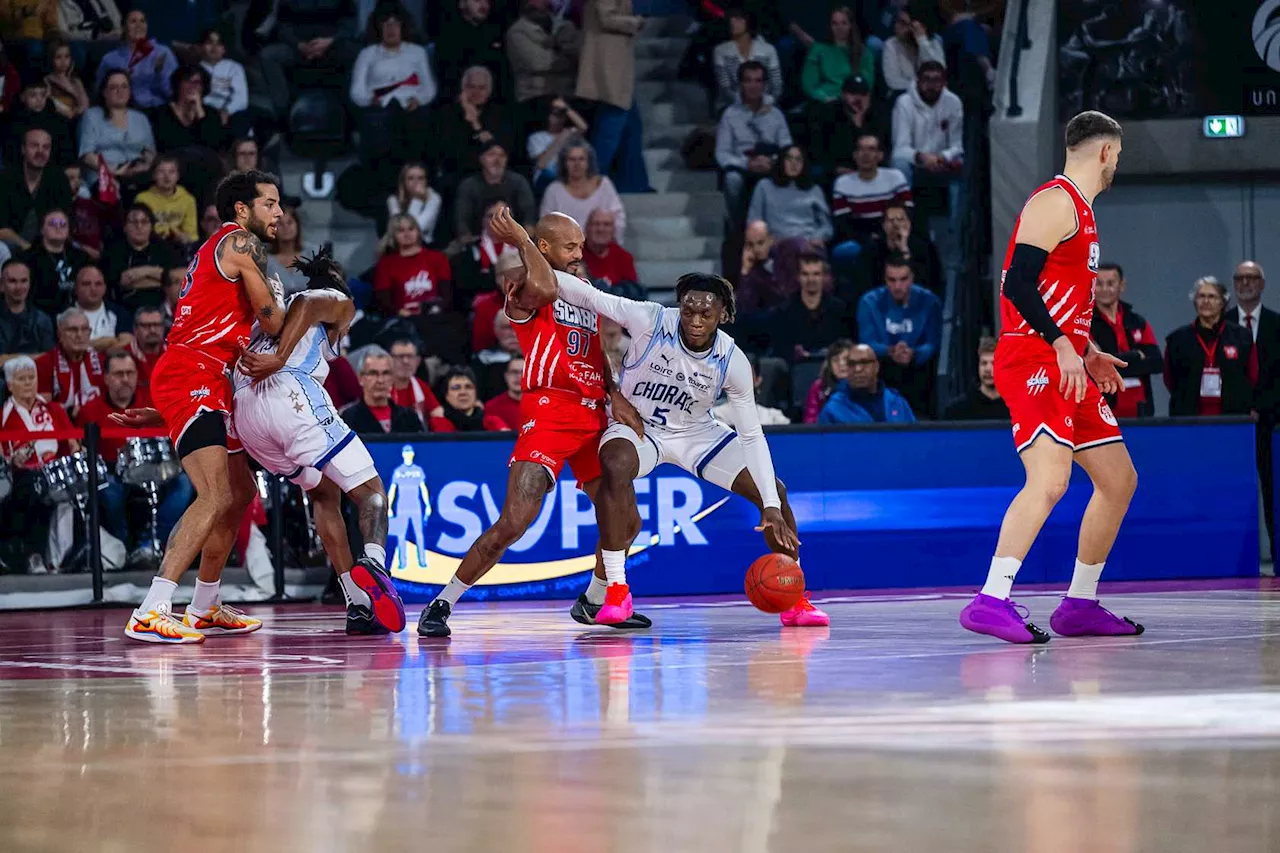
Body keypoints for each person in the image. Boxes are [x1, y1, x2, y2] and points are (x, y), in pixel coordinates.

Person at [417, 209, 648, 637]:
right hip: (550, 411)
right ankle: (442, 602)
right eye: (570, 246)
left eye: (581, 245)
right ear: (544, 247)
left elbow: (595, 351)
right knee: (514, 522)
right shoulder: (526, 287)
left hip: (592, 410)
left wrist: (614, 394)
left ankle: (596, 599)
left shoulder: (584, 289)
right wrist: (521, 240)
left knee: (626, 519)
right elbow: (543, 284)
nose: (581, 253)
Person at [552, 268, 823, 626]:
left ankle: (795, 599)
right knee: (614, 463)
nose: (694, 320)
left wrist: (769, 506)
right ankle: (617, 589)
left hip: (696, 434)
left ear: (723, 315)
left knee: (775, 491)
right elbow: (591, 297)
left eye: (705, 314)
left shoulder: (732, 360)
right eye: (688, 310)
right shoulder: (649, 318)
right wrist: (531, 256)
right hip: (641, 427)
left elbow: (752, 435)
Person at [962, 111, 1141, 646]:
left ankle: (1079, 604)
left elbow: (1056, 297)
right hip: (1033, 358)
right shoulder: (1055, 201)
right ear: (1106, 152)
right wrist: (1063, 344)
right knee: (1050, 481)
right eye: (1118, 156)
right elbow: (1017, 284)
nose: (1116, 165)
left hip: (1065, 359)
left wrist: (1087, 349)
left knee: (1118, 479)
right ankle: (991, 599)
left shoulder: (1081, 212)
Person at [112, 169, 285, 644]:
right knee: (211, 494)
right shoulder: (242, 244)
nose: (280, 213)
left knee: (240, 492)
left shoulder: (220, 248)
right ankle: (153, 607)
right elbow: (273, 323)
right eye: (270, 204)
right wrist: (299, 302)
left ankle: (204, 605)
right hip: (195, 373)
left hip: (206, 377)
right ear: (242, 210)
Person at [233, 247, 406, 635]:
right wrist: (280, 358)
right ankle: (374, 564)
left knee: (325, 493)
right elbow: (311, 302)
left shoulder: (263, 320)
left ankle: (357, 604)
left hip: (247, 417)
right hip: (289, 393)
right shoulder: (335, 303)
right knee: (372, 491)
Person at [76, 349, 194, 556]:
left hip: (155, 469)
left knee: (184, 483)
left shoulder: (153, 402)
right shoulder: (89, 410)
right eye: (118, 374)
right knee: (109, 490)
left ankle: (150, 543)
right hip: (113, 473)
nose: (125, 379)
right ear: (106, 378)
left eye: (130, 373)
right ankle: (123, 549)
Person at [0, 355, 76, 575]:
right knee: (32, 487)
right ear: (10, 385)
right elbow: (6, 459)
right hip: (20, 478)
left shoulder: (54, 409)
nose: (28, 383)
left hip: (56, 472)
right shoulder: (4, 416)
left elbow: (73, 443)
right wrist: (13, 460)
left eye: (31, 377)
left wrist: (75, 449)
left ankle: (65, 558)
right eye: (21, 378)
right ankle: (34, 555)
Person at [1226, 259, 1280, 558]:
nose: (1245, 283)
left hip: (1272, 424)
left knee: (1274, 492)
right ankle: (1235, 558)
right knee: (1233, 490)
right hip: (1234, 424)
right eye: (1240, 278)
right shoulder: (1221, 323)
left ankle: (1276, 553)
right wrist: (1243, 409)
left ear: (1262, 284)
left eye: (1251, 278)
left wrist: (1261, 407)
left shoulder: (1277, 324)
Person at [350, 2, 437, 169]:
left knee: (419, 122)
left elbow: (429, 87)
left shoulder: (417, 52)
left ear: (403, 27)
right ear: (378, 27)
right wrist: (369, 100)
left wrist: (419, 100)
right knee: (379, 124)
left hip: (411, 108)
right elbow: (357, 90)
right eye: (386, 24)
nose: (391, 29)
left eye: (396, 24)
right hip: (379, 107)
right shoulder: (367, 54)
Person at [857, 255, 941, 417]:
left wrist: (913, 353)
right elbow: (867, 343)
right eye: (892, 280)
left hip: (919, 374)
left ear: (912, 278)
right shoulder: (869, 302)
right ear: (885, 279)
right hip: (881, 374)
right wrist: (890, 350)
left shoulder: (929, 302)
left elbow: (933, 342)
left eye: (903, 279)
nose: (897, 286)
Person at [1163, 276, 1255, 417]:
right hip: (1188, 417)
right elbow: (1169, 379)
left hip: (1233, 416)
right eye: (1201, 296)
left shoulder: (1242, 337)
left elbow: (1253, 375)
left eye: (1212, 297)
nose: (1206, 301)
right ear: (1195, 301)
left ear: (1222, 302)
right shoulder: (1177, 339)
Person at [715, 60, 791, 226]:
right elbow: (722, 154)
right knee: (731, 180)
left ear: (765, 84)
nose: (753, 85)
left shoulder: (776, 114)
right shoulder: (729, 114)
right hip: (743, 166)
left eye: (758, 81)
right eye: (748, 80)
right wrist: (748, 164)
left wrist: (772, 162)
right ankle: (737, 225)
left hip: (772, 164)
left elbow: (788, 147)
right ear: (741, 84)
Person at [830, 134, 912, 275]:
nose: (866, 154)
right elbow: (843, 224)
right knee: (853, 250)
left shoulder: (895, 178)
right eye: (861, 150)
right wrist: (869, 238)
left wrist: (885, 236)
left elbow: (908, 213)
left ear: (880, 155)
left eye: (871, 149)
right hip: (859, 237)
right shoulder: (842, 184)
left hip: (893, 234)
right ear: (855, 155)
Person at [1089, 262, 1160, 418]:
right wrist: (1136, 356)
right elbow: (1094, 364)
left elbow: (1156, 362)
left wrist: (1112, 360)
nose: (1105, 289)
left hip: (1141, 409)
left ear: (1122, 285)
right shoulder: (1086, 323)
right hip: (1104, 408)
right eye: (1099, 284)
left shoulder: (1137, 321)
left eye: (1111, 283)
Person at [538, 140, 626, 244]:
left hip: (602, 247)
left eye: (581, 159)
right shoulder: (553, 190)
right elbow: (546, 227)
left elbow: (618, 219)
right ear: (564, 163)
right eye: (572, 159)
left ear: (589, 162)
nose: (577, 164)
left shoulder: (604, 185)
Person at [0, 127, 72, 252]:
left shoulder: (59, 179)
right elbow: (2, 229)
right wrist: (28, 249)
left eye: (46, 147)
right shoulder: (5, 179)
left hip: (47, 245)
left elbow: (63, 219)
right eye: (34, 146)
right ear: (23, 149)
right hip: (11, 244)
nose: (40, 151)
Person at [93, 9, 177, 110]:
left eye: (143, 21)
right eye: (133, 21)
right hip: (123, 111)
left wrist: (159, 73)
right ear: (123, 27)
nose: (139, 25)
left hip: (157, 109)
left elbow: (173, 92)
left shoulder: (162, 53)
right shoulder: (109, 59)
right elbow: (99, 93)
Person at [746, 145, 832, 242]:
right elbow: (754, 222)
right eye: (789, 159)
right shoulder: (764, 186)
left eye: (798, 159)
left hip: (809, 244)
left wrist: (814, 239)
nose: (794, 163)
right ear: (781, 161)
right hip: (775, 245)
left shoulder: (814, 190)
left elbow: (827, 227)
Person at [818, 342, 915, 423]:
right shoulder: (833, 409)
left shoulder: (897, 403)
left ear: (876, 366)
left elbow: (915, 440)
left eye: (864, 362)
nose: (858, 369)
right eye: (852, 364)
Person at [35, 307, 104, 417]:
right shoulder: (44, 364)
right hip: (60, 427)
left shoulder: (101, 361)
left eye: (84, 329)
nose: (79, 335)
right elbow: (43, 407)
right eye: (73, 330)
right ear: (60, 335)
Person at [712, 6, 783, 113]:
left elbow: (777, 84)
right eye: (731, 19)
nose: (732, 22)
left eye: (738, 19)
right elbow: (725, 88)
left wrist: (767, 103)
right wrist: (746, 105)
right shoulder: (721, 50)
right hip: (732, 106)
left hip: (765, 105)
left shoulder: (768, 49)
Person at [340, 346, 426, 433]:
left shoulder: (409, 417)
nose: (380, 380)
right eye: (373, 373)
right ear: (361, 378)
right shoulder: (348, 418)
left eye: (386, 373)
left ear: (393, 378)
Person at [23, 207, 89, 315]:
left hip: (79, 314)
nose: (58, 227)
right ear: (42, 229)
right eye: (52, 224)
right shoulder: (28, 258)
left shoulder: (81, 257)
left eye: (63, 224)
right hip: (41, 315)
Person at [880, 8, 946, 97]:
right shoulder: (891, 44)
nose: (897, 25)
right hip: (903, 95)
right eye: (897, 21)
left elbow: (938, 73)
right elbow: (893, 81)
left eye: (903, 23)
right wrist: (922, 85)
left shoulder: (933, 43)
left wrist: (922, 41)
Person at [134, 156, 199, 246]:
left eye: (171, 172)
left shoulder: (188, 199)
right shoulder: (143, 199)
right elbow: (140, 230)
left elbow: (192, 235)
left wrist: (180, 236)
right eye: (161, 172)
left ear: (178, 175)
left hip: (179, 246)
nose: (167, 176)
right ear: (154, 175)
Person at [942, 336, 1009, 420]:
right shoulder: (957, 410)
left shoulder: (1017, 409)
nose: (988, 369)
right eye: (984, 363)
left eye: (994, 363)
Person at [0, 259, 54, 359]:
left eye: (24, 281)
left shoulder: (42, 319)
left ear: (30, 283)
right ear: (1, 285)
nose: (19, 287)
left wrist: (8, 358)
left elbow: (49, 359)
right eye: (12, 281)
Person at [428, 366, 509, 431]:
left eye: (468, 387)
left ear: (476, 393)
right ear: (446, 395)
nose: (463, 392)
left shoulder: (491, 422)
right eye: (456, 388)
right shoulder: (439, 423)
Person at [72, 264, 132, 351]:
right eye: (86, 284)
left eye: (98, 284)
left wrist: (88, 345)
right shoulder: (63, 315)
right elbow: (70, 348)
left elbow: (127, 342)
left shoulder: (119, 313)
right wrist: (109, 341)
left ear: (104, 288)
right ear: (76, 288)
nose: (93, 289)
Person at [581, 208, 639, 290]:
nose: (601, 229)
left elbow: (633, 292)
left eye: (606, 224)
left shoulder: (624, 258)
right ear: (587, 228)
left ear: (614, 230)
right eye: (596, 224)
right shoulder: (576, 254)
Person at [388, 338, 442, 424]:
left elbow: (438, 414)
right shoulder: (381, 386)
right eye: (400, 357)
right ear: (389, 360)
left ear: (418, 361)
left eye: (410, 356)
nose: (405, 361)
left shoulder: (421, 387)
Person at [387, 163, 442, 245]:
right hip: (399, 246)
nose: (416, 182)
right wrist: (418, 199)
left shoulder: (434, 198)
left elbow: (416, 228)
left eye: (420, 178)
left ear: (426, 181)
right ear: (403, 182)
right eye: (410, 178)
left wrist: (417, 199)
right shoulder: (393, 199)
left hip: (425, 246)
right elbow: (401, 228)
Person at [802, 338, 852, 423]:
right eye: (835, 360)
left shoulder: (861, 385)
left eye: (846, 359)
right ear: (829, 365)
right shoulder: (819, 386)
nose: (841, 364)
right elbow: (810, 420)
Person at [484, 355, 524, 429]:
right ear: (506, 376)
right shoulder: (492, 407)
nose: (518, 376)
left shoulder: (541, 405)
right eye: (513, 372)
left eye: (523, 372)